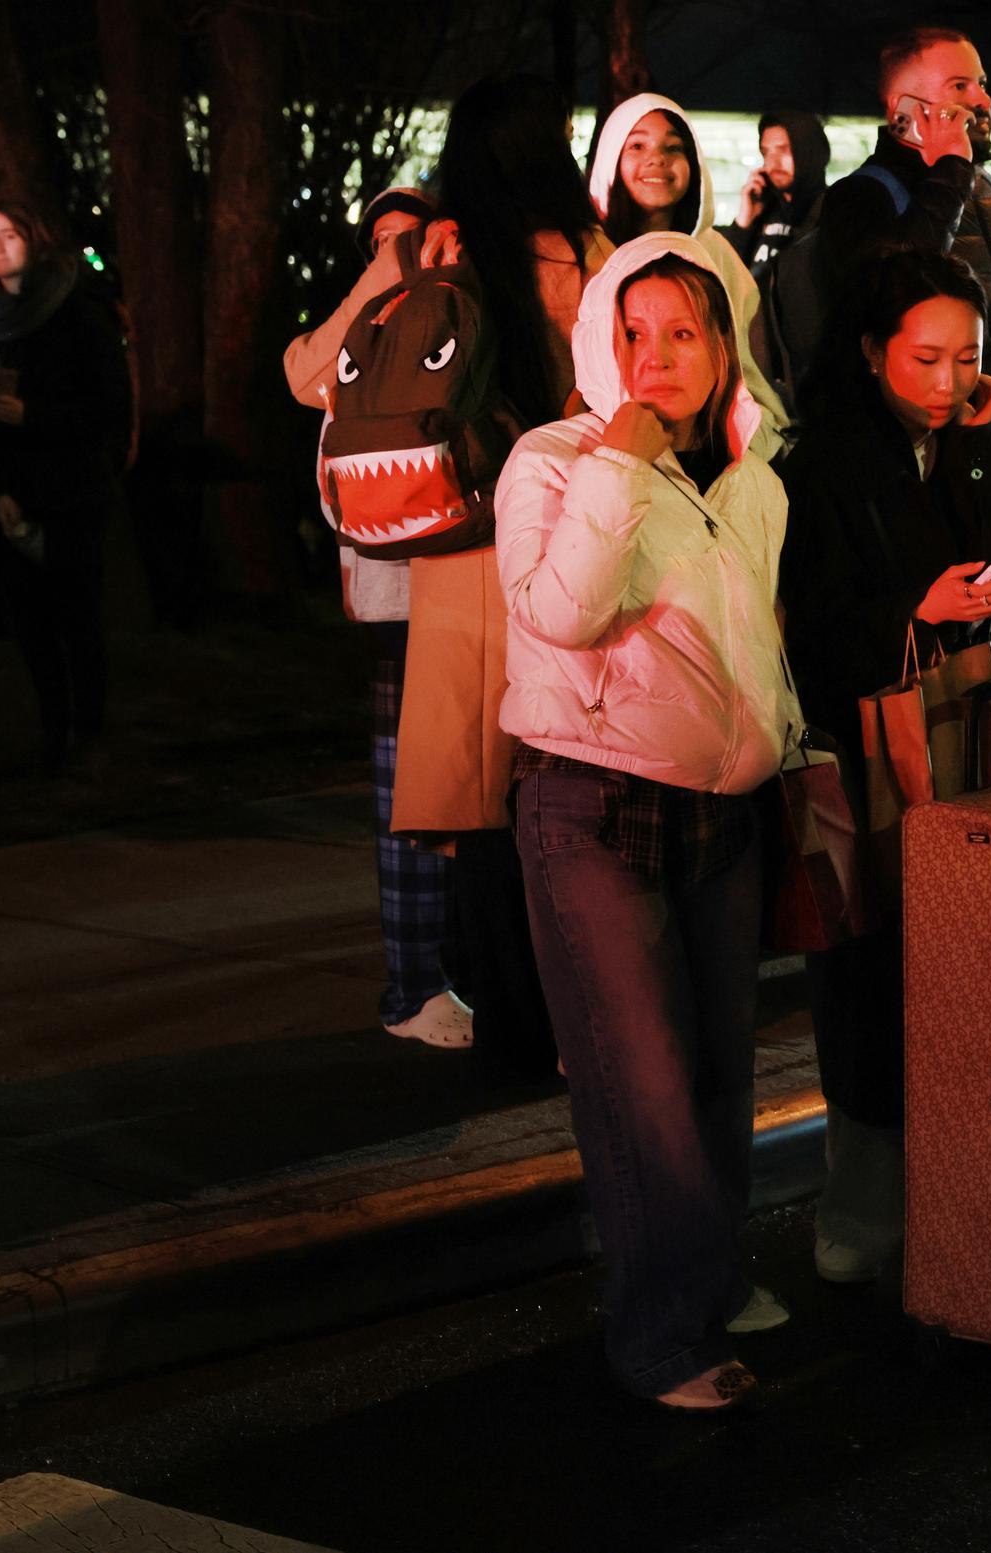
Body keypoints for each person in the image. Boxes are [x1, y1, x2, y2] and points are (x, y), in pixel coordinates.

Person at [494, 231, 795, 1413]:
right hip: (592, 807)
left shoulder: (753, 478)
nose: (659, 356)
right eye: (633, 333)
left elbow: (758, 640)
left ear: (726, 343)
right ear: (597, 343)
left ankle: (708, 1282)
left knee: (723, 1076)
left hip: (727, 814)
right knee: (642, 1086)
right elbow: (564, 615)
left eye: (684, 332)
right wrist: (621, 460)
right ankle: (660, 1332)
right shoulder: (554, 460)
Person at [777, 246, 991, 1284]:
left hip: (961, 737)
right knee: (867, 970)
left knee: (970, 962)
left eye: (967, 359)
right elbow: (810, 628)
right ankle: (864, 1209)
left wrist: (984, 445)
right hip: (864, 753)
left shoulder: (956, 441)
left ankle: (966, 1199)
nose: (946, 382)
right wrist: (917, 608)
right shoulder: (829, 463)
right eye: (925, 358)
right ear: (869, 351)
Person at [387, 73, 609, 1074]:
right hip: (564, 536)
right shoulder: (585, 254)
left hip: (460, 552)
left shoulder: (444, 255)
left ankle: (500, 1015)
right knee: (560, 789)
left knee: (482, 806)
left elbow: (316, 379)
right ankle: (565, 1016)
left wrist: (402, 263)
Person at [282, 184, 469, 1048]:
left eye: (410, 236)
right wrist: (383, 280)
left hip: (469, 585)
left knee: (467, 791)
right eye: (379, 240)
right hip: (397, 599)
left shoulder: (457, 318)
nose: (395, 252)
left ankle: (460, 973)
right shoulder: (356, 338)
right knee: (409, 803)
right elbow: (299, 378)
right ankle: (413, 985)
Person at [815, 26, 991, 524]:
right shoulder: (862, 198)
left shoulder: (982, 186)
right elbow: (892, 292)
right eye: (959, 87)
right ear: (902, 109)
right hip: (925, 476)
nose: (982, 100)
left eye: (981, 83)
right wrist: (951, 171)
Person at [0, 202, 131, 776]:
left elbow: (107, 406)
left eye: (10, 234)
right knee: (29, 622)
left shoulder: (75, 313)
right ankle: (52, 734)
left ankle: (91, 733)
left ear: (34, 240)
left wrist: (35, 414)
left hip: (73, 487)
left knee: (77, 616)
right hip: (14, 493)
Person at [585, 90, 790, 458]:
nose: (657, 161)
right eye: (637, 146)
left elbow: (750, 354)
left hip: (712, 439)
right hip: (617, 442)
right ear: (611, 157)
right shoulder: (591, 255)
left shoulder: (715, 251)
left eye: (673, 147)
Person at [730, 110, 830, 277]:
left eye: (783, 150)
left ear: (809, 152)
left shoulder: (833, 210)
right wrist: (743, 224)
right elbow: (727, 276)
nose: (772, 162)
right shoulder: (762, 211)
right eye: (766, 152)